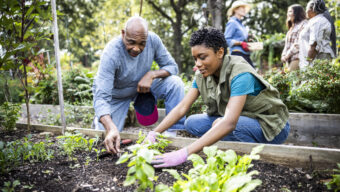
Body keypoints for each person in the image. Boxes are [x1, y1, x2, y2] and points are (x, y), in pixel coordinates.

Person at [147, 28, 290, 168]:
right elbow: (182, 107)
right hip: (239, 119)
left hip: (270, 126)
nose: (198, 63)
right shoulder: (202, 75)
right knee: (192, 123)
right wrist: (154, 133)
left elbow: (229, 123)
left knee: (227, 126)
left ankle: (254, 158)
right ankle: (227, 140)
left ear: (220, 52)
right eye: (195, 58)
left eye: (203, 57)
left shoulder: (240, 73)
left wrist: (184, 153)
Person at [92, 16, 185, 154]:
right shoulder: (111, 53)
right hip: (117, 95)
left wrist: (151, 74)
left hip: (143, 88)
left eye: (142, 43)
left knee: (175, 83)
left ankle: (171, 135)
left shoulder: (153, 40)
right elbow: (101, 97)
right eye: (131, 42)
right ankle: (99, 123)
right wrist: (110, 127)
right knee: (104, 138)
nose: (136, 48)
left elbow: (172, 67)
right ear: (123, 34)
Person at [298, 0, 336, 70]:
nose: (305, 11)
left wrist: (308, 63)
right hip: (313, 59)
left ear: (312, 9)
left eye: (307, 8)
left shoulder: (317, 21)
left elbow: (314, 43)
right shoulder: (314, 20)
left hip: (317, 59)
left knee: (315, 79)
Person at [224, 1, 254, 67]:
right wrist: (240, 43)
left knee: (252, 73)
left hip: (244, 54)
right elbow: (226, 40)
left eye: (244, 8)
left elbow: (241, 38)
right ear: (235, 9)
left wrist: (248, 38)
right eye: (242, 7)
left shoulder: (241, 24)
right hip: (237, 53)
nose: (244, 9)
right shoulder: (232, 22)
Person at [281, 4, 307, 71]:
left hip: (297, 58)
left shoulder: (304, 24)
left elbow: (298, 43)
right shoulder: (292, 27)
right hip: (289, 60)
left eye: (290, 11)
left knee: (293, 80)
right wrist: (283, 55)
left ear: (297, 13)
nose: (288, 14)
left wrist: (287, 55)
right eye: (288, 12)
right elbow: (287, 45)